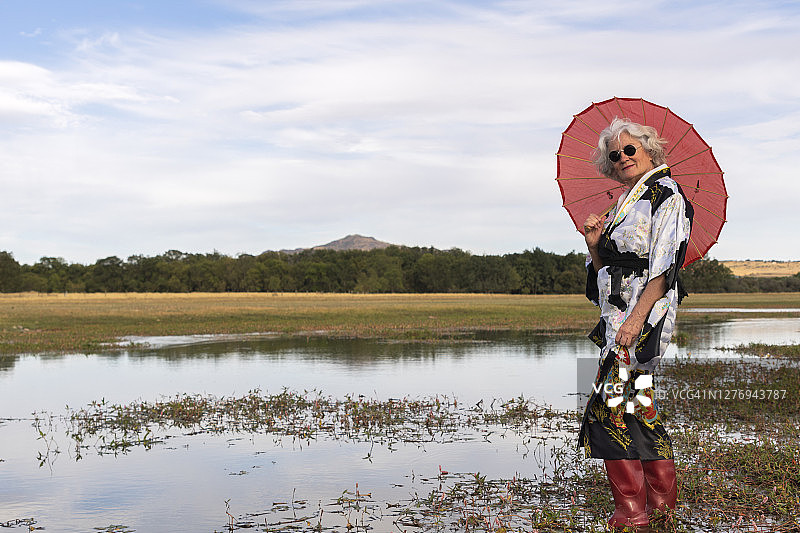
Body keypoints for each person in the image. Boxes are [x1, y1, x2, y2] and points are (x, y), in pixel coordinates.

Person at [578, 117, 693, 529]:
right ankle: (662, 505)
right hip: (617, 315)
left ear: (650, 150)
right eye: (615, 154)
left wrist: (637, 319)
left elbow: (664, 268)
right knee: (636, 407)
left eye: (630, 149)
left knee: (608, 409)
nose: (623, 157)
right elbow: (608, 271)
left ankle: (632, 512)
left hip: (643, 315)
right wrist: (595, 246)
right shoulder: (625, 203)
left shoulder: (668, 196)